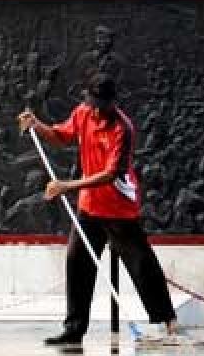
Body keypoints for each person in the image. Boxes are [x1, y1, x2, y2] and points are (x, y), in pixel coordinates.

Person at [18, 74, 180, 347]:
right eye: (92, 103)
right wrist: (37, 125)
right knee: (77, 262)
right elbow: (60, 136)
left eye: (100, 105)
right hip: (89, 207)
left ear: (111, 103)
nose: (95, 110)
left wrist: (67, 185)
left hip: (118, 207)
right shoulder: (82, 113)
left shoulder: (122, 128)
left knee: (141, 263)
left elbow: (110, 173)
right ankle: (74, 328)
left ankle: (168, 322)